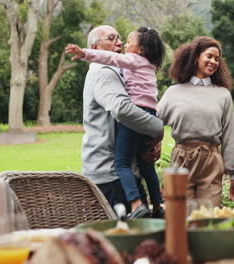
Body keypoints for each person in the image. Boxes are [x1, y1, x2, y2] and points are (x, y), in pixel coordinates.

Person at [65, 26, 165, 218]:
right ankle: (155, 204)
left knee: (138, 238)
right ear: (94, 47)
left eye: (120, 38)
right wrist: (157, 128)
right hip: (111, 174)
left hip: (119, 174)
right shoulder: (104, 71)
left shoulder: (124, 70)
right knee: (128, 240)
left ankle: (157, 204)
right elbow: (122, 109)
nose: (119, 42)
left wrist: (152, 138)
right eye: (111, 39)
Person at [157, 36, 234, 207]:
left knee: (208, 217)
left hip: (211, 161)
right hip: (181, 160)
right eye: (209, 56)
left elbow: (229, 136)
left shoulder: (222, 94)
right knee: (179, 215)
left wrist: (233, 174)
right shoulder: (174, 92)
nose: (213, 62)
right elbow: (153, 124)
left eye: (217, 59)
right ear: (196, 57)